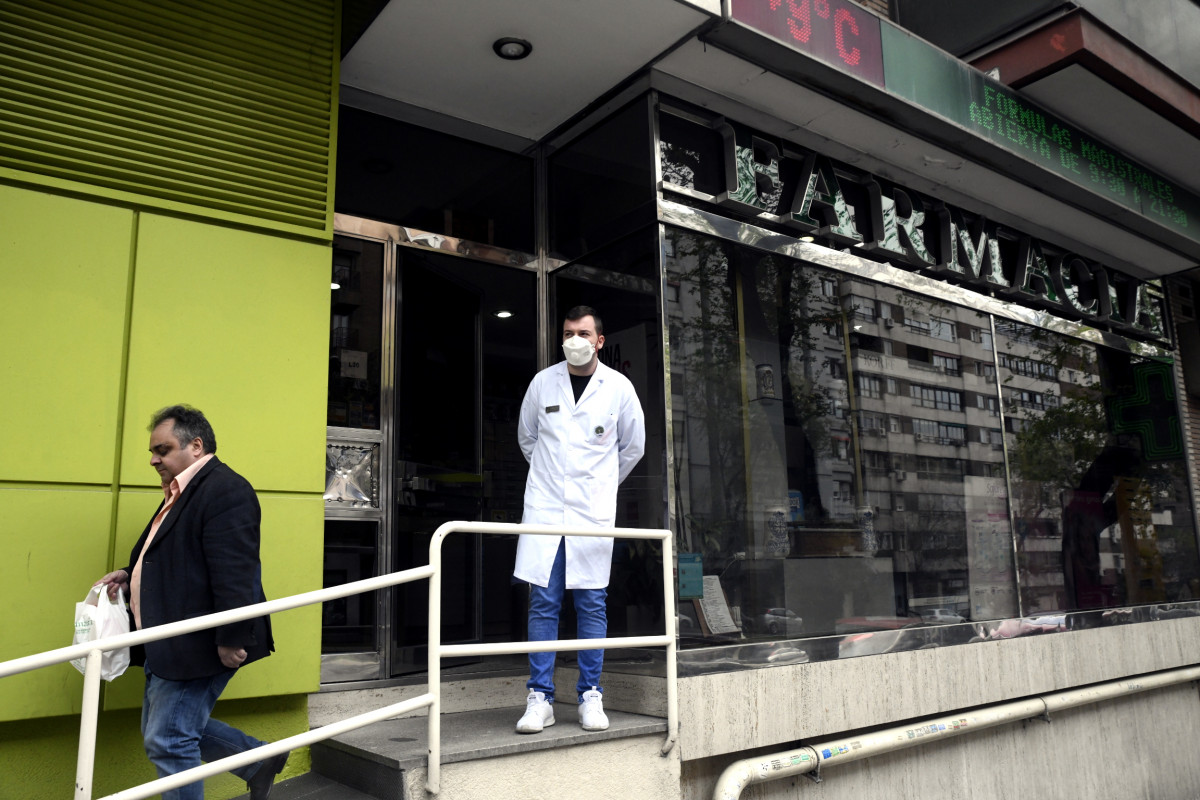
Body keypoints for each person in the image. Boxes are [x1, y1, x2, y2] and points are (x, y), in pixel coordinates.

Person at [96, 405, 286, 800]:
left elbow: (234, 569)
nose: (153, 459)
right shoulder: (185, 490)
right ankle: (257, 760)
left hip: (197, 641)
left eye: (162, 450)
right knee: (165, 730)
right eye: (153, 451)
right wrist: (129, 574)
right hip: (168, 639)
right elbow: (175, 554)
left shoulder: (225, 489)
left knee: (169, 739)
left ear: (195, 445)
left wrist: (232, 636)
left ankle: (259, 759)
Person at [513, 306, 646, 734]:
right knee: (544, 601)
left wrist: (598, 484)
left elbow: (633, 447)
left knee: (591, 602)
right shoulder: (542, 382)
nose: (575, 339)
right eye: (568, 332)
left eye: (583, 332)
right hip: (547, 507)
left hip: (591, 509)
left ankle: (590, 694)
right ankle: (540, 698)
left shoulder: (619, 387)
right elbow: (527, 438)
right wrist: (556, 479)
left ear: (599, 340)